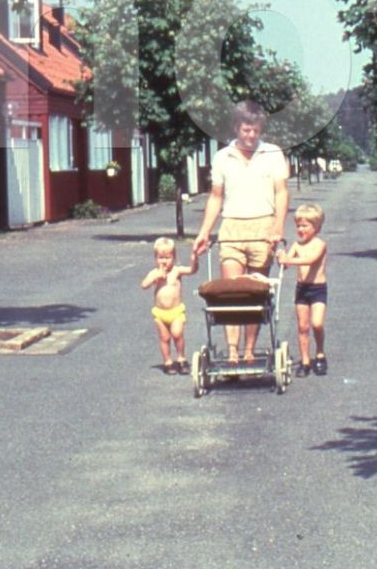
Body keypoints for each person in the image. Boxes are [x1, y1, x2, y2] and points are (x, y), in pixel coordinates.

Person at [191, 100, 289, 364]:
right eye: (246, 130)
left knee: (255, 294)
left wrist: (278, 226)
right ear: (236, 127)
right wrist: (204, 233)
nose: (251, 135)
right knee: (231, 293)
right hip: (232, 228)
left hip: (263, 228)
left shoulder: (273, 153)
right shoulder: (222, 157)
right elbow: (215, 198)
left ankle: (249, 351)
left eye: (256, 130)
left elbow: (281, 192)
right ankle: (232, 352)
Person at [278, 203, 329, 376]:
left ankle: (320, 354)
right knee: (302, 326)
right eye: (298, 225)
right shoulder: (296, 245)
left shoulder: (320, 245)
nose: (301, 229)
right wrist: (281, 258)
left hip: (318, 289)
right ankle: (305, 360)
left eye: (305, 225)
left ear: (316, 227)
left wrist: (288, 260)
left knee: (317, 323)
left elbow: (310, 260)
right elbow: (285, 263)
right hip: (302, 289)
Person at [139, 237, 198, 375]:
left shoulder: (176, 271)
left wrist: (194, 258)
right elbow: (144, 285)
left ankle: (181, 358)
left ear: (174, 257)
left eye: (168, 257)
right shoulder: (154, 273)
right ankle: (167, 361)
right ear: (155, 258)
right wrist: (155, 278)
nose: (164, 261)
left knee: (177, 334)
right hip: (160, 313)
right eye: (160, 258)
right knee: (164, 338)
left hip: (176, 311)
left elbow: (192, 270)